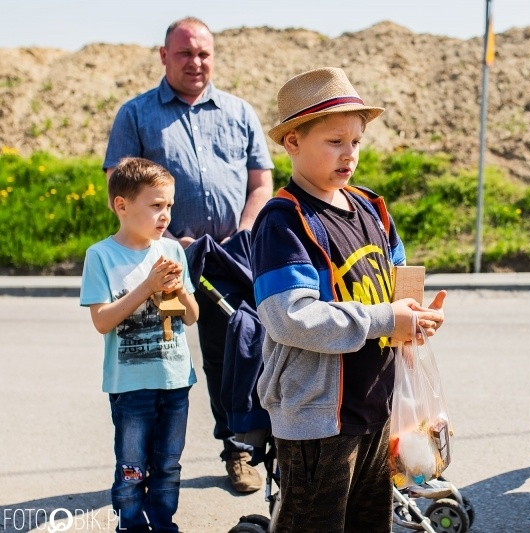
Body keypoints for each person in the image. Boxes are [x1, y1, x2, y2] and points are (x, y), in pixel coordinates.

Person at [250, 67, 447, 532]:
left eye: (356, 142)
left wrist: (415, 318)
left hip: (375, 406)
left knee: (369, 523)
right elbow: (291, 318)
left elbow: (399, 281)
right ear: (293, 142)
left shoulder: (369, 207)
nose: (349, 154)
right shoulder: (284, 222)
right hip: (319, 422)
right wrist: (385, 319)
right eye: (335, 141)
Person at [103, 16, 274, 492]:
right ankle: (149, 465)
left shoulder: (239, 112)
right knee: (164, 354)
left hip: (230, 259)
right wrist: (167, 241)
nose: (196, 62)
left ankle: (239, 450)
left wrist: (244, 230)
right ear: (164, 56)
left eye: (204, 53)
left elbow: (261, 182)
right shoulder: (135, 115)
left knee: (235, 352)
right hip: (164, 262)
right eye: (184, 53)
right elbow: (120, 184)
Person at [79, 157, 200, 533]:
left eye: (169, 206)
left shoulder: (172, 251)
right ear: (122, 205)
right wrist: (147, 287)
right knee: (132, 466)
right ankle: (130, 525)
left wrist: (177, 289)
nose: (165, 215)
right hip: (130, 387)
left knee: (168, 465)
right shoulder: (101, 255)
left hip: (176, 379)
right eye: (156, 205)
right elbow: (102, 321)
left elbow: (192, 316)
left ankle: (163, 524)